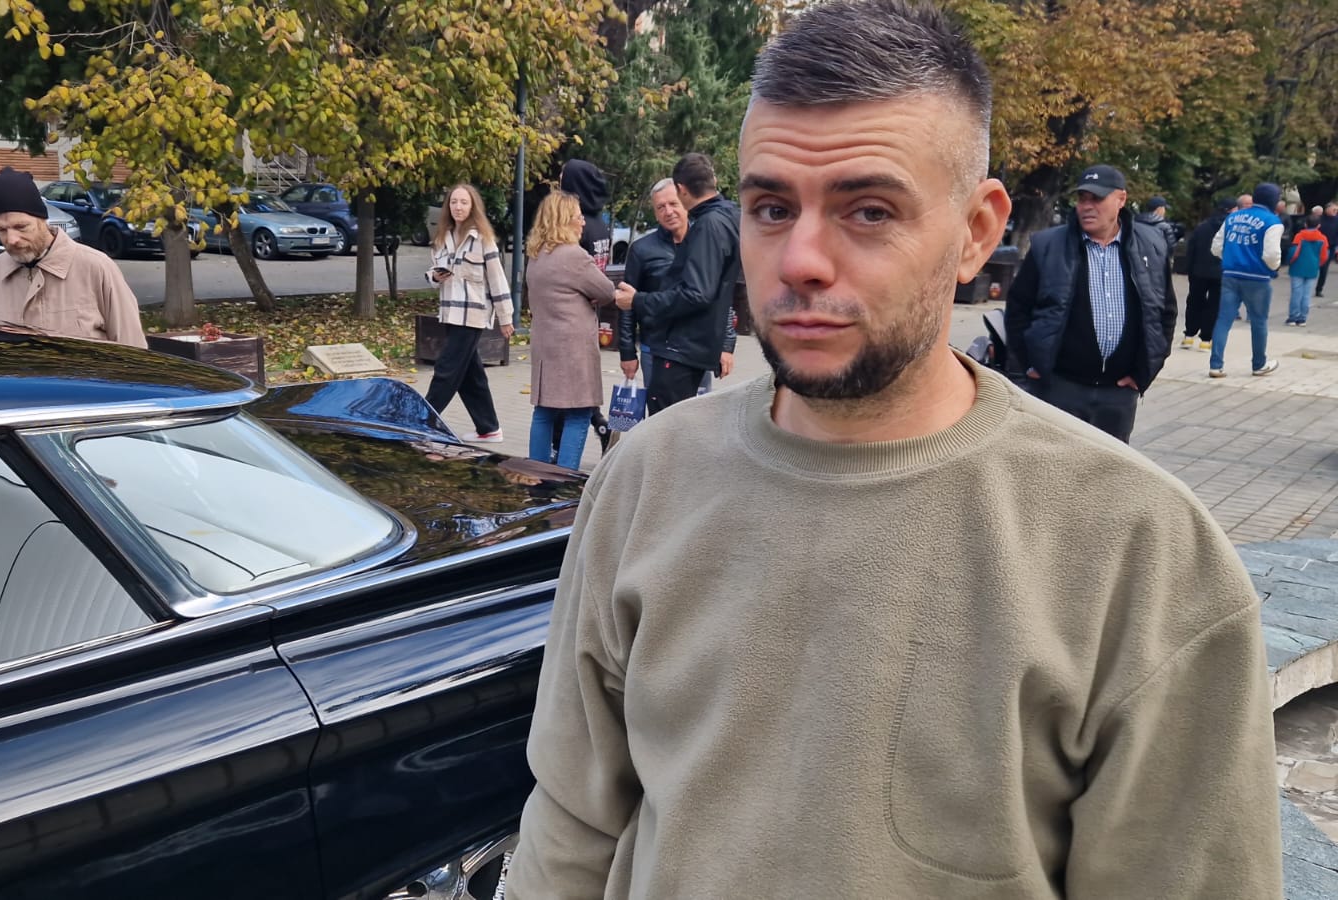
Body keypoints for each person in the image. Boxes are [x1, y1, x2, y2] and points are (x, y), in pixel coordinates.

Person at [504, 1, 1280, 897]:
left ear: (977, 232)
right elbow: (572, 825)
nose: (801, 259)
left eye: (868, 210)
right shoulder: (645, 479)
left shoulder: (1142, 553)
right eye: (770, 208)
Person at [1004, 164, 1177, 443]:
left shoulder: (1150, 245)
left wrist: (1145, 371)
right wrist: (1030, 365)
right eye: (1082, 198)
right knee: (1056, 464)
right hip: (1060, 388)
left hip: (1118, 394)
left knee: (1109, 468)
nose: (1087, 206)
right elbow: (1017, 309)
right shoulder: (1048, 246)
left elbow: (1165, 312)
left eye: (1097, 199)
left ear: (1121, 199)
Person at [613, 153, 740, 414]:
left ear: (682, 191)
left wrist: (638, 300)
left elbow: (702, 293)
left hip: (682, 349)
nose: (668, 211)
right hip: (675, 346)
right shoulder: (729, 217)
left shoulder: (708, 226)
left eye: (673, 202)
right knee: (683, 423)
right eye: (660, 207)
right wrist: (628, 351)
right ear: (713, 180)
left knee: (671, 427)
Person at [0, 168, 145, 347]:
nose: (12, 239)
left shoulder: (95, 267)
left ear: (43, 220)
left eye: (21, 227)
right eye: (1, 230)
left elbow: (133, 347)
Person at [523, 192, 616, 469]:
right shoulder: (574, 256)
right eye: (578, 216)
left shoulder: (536, 255)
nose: (583, 222)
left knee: (544, 412)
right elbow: (606, 290)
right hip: (573, 349)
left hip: (545, 347)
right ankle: (564, 477)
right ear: (564, 219)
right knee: (579, 413)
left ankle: (537, 473)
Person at [425, 183, 515, 442]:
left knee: (446, 369)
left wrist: (505, 317)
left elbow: (497, 280)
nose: (458, 207)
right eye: (454, 202)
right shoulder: (442, 238)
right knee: (469, 374)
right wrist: (434, 276)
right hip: (450, 313)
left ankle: (422, 420)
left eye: (464, 202)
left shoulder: (483, 240)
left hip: (473, 316)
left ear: (473, 206)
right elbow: (433, 272)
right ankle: (489, 428)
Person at [1208, 183, 1284, 378]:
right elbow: (1271, 255)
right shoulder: (1273, 221)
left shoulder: (1233, 217)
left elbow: (1216, 247)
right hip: (1257, 278)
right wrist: (1273, 267)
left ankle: (1216, 365)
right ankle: (1258, 364)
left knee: (1223, 320)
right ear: (1274, 201)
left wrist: (1231, 259)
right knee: (1259, 321)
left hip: (1230, 274)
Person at [1180, 197, 1233, 349]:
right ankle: (1206, 338)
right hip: (1221, 271)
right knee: (1214, 305)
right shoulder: (1230, 228)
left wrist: (1189, 269)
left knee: (1194, 302)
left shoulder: (1202, 227)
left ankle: (1189, 335)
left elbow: (1191, 249)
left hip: (1199, 271)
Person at [1286, 212, 1329, 326]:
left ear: (1305, 224)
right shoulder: (1323, 238)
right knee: (1306, 294)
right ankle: (1302, 318)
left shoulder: (1299, 236)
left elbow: (1293, 252)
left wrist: (1289, 262)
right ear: (1318, 225)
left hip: (1297, 267)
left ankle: (1293, 317)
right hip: (1312, 268)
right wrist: (1317, 264)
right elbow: (1324, 256)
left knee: (1296, 293)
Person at [1320, 203, 1338, 297]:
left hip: (1330, 247)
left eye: (1336, 210)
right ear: (1327, 209)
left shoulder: (1336, 220)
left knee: (1324, 269)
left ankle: (1319, 288)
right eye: (1334, 209)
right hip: (1319, 246)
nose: (1335, 212)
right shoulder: (1320, 219)